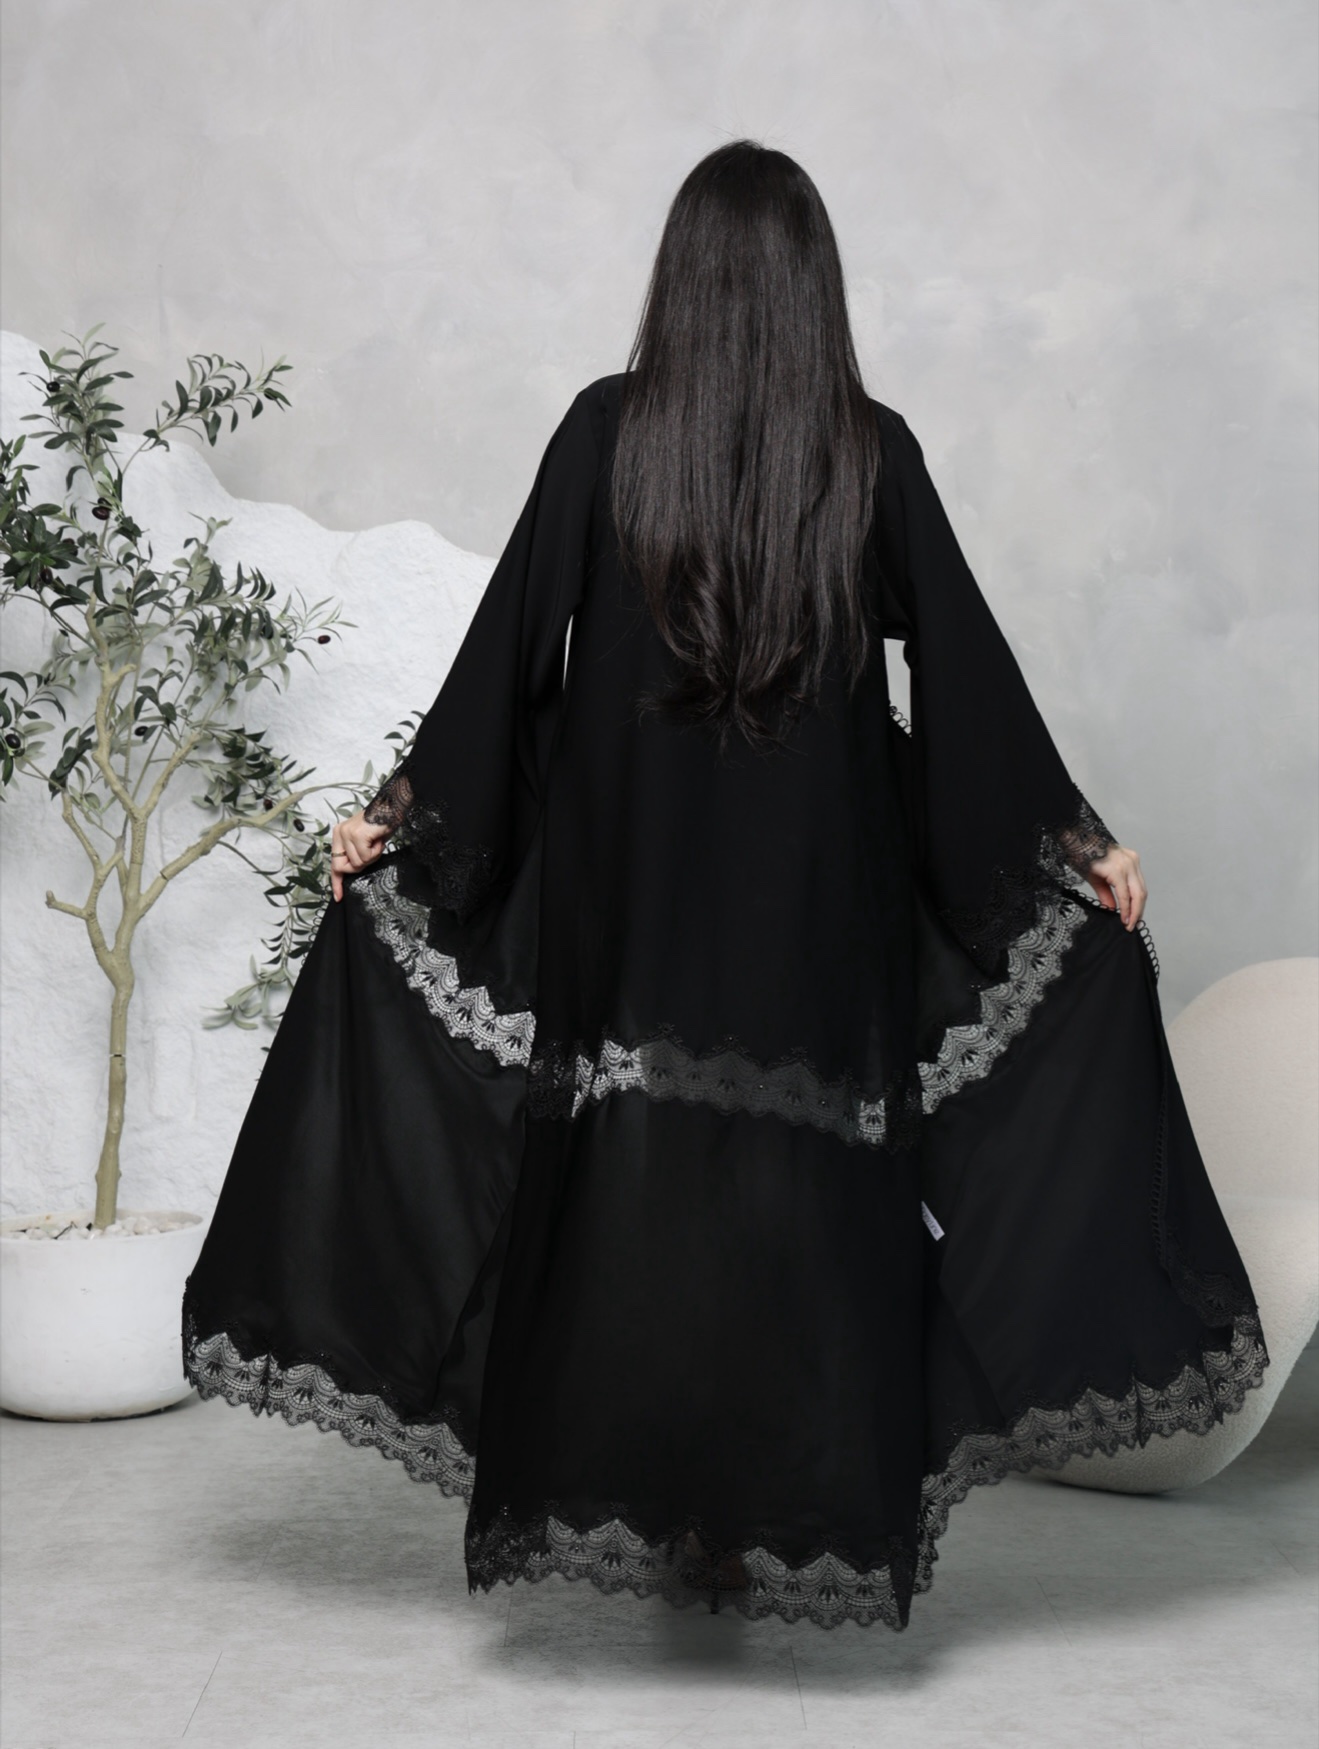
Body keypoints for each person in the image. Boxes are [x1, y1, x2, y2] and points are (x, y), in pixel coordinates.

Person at [183, 141, 1267, 1630]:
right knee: (790, 1197)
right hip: (820, 909)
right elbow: (965, 675)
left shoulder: (609, 434)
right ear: (815, 287)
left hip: (631, 901)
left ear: (678, 279)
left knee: (642, 1184)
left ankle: (674, 1505)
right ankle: (765, 1510)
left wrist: (401, 815)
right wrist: (1076, 843)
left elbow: (511, 655)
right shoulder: (865, 453)